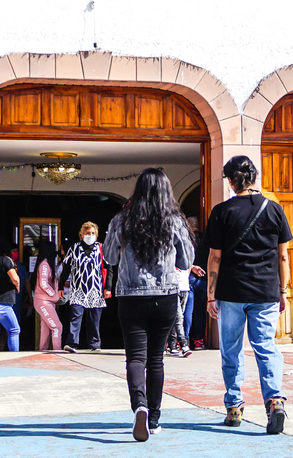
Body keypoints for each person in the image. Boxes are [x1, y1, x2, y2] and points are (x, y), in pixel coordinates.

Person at [104, 168, 194, 441]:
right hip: (165, 296)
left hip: (131, 296)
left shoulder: (122, 219)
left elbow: (109, 257)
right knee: (156, 359)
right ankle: (154, 419)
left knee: (135, 358)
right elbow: (186, 261)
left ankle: (139, 406)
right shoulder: (175, 220)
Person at [204, 155, 292, 434]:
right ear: (254, 177)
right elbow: (283, 256)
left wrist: (210, 295)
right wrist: (283, 290)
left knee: (231, 349)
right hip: (265, 291)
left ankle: (234, 407)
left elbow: (215, 257)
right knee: (265, 347)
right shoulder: (275, 209)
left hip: (231, 291)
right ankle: (274, 402)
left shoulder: (222, 212)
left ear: (231, 181)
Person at [58, 222, 111, 353]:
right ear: (81, 235)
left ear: (96, 235)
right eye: (87, 233)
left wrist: (108, 288)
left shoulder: (101, 248)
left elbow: (109, 268)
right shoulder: (74, 248)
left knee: (94, 319)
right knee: (75, 317)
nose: (90, 235)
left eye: (93, 233)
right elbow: (66, 268)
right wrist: (60, 286)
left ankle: (95, 344)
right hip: (78, 289)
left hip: (95, 289)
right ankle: (71, 343)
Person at [31, 241, 63, 351]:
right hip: (44, 301)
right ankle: (58, 351)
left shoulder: (46, 264)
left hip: (45, 301)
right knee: (57, 327)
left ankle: (42, 350)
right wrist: (55, 296)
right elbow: (43, 283)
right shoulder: (44, 265)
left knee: (45, 329)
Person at [186, 216, 208, 350]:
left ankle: (184, 340)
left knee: (186, 310)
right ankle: (198, 341)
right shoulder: (206, 239)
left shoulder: (186, 238)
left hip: (188, 277)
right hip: (204, 278)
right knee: (200, 310)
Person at [166, 266, 192, 357]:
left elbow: (189, 266)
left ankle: (172, 344)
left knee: (176, 319)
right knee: (179, 318)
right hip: (173, 288)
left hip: (185, 287)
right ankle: (184, 344)